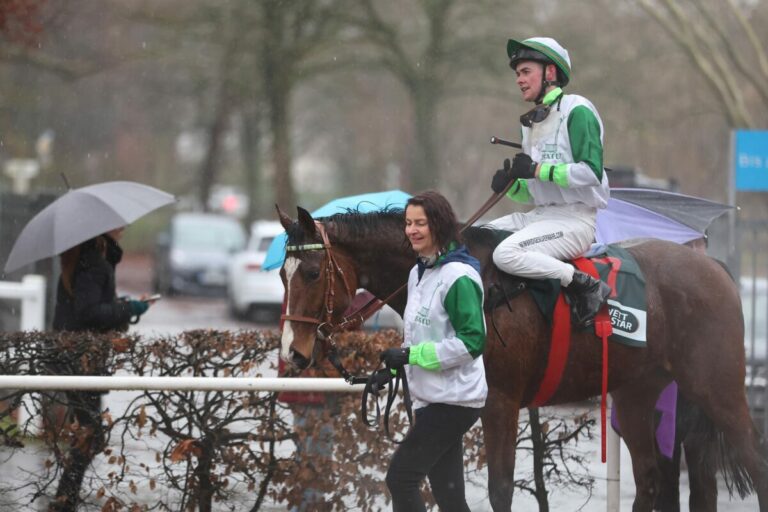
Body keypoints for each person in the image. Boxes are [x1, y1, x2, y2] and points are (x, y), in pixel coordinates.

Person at [489, 36, 611, 328]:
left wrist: (537, 169)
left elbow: (591, 173)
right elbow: (535, 191)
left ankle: (583, 284)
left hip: (575, 221)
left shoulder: (577, 110)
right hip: (541, 216)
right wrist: (511, 184)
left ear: (550, 73)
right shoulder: (529, 122)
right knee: (473, 237)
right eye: (517, 73)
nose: (519, 79)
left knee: (506, 253)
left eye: (525, 71)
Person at [379, 190, 487, 512]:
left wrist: (411, 356)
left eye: (420, 223)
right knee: (450, 497)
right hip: (433, 398)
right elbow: (420, 333)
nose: (411, 230)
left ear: (438, 226)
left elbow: (472, 342)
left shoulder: (458, 276)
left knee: (401, 478)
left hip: (455, 401)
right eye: (408, 223)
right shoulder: (418, 273)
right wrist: (396, 365)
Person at [48, 226, 152, 511]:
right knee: (90, 433)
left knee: (88, 431)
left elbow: (91, 307)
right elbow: (89, 313)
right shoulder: (92, 262)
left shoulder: (86, 257)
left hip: (77, 358)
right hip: (81, 360)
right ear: (103, 229)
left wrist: (125, 305)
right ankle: (64, 498)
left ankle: (65, 496)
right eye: (118, 224)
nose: (124, 227)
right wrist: (129, 309)